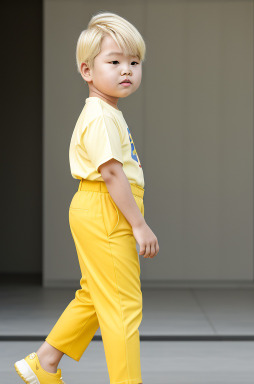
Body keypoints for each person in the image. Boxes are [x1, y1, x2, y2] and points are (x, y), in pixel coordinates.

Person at [14, 11, 159, 384]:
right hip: (106, 209)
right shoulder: (100, 116)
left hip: (97, 208)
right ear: (87, 71)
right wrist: (138, 224)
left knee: (96, 293)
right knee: (123, 305)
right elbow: (112, 174)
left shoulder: (105, 112)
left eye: (133, 62)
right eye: (114, 62)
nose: (126, 70)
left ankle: (44, 362)